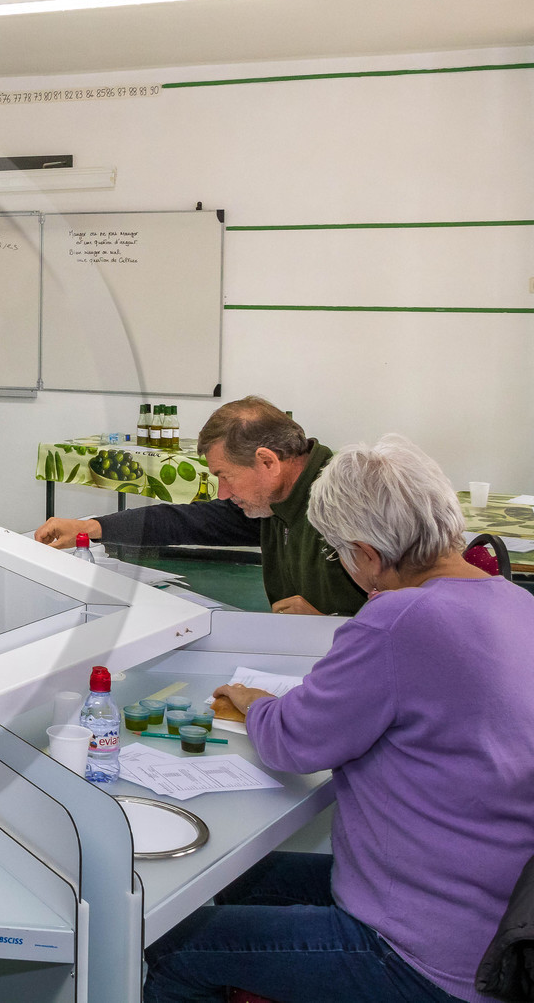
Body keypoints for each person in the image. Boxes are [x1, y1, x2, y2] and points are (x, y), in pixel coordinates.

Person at [145, 435, 534, 1003]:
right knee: (234, 879)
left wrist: (255, 703)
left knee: (170, 950)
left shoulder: (398, 619)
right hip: (492, 909)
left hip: (429, 950)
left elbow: (293, 742)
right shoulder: (517, 602)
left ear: (368, 556)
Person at [33, 396, 366, 616]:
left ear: (267, 462)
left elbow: (411, 604)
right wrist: (92, 528)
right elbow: (190, 520)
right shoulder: (277, 499)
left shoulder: (352, 502)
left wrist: (332, 624)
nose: (222, 492)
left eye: (226, 476)